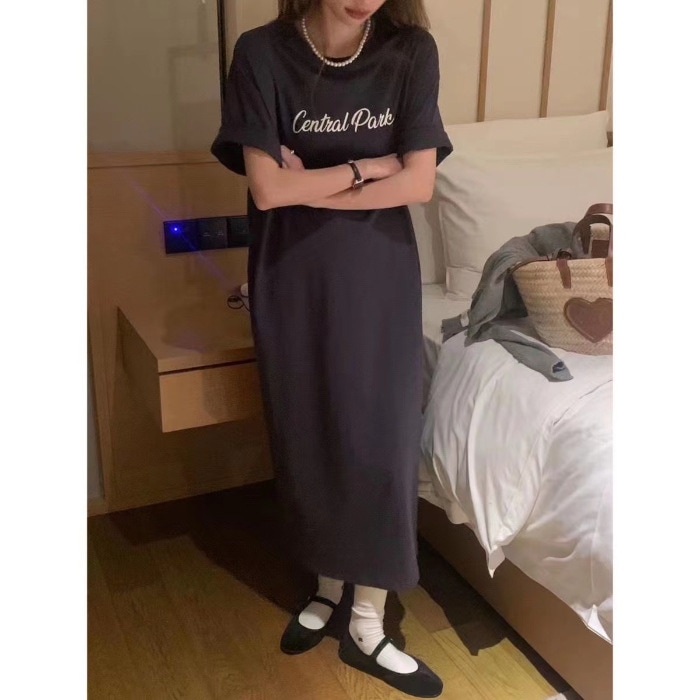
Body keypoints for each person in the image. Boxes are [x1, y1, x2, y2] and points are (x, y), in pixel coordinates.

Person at [211, 1, 452, 696]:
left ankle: (368, 623)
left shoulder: (410, 52)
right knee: (308, 426)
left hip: (377, 272)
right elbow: (266, 189)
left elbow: (418, 182)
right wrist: (363, 169)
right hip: (292, 271)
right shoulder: (261, 52)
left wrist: (307, 186)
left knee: (377, 436)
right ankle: (326, 585)